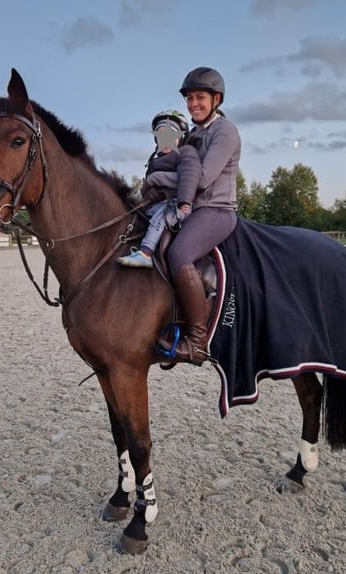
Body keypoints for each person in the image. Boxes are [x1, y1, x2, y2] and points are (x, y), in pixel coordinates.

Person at [147, 67, 241, 365]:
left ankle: (198, 341)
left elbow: (201, 180)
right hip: (188, 208)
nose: (192, 104)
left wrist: (157, 181)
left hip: (215, 210)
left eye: (199, 97)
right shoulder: (194, 133)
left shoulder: (224, 131)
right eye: (189, 98)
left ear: (216, 99)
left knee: (179, 254)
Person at [117, 110, 201, 268]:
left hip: (178, 205)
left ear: (180, 138)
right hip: (158, 205)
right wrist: (148, 193)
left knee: (161, 217)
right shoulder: (154, 161)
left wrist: (184, 201)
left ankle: (146, 253)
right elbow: (147, 186)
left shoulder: (186, 153)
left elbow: (189, 175)